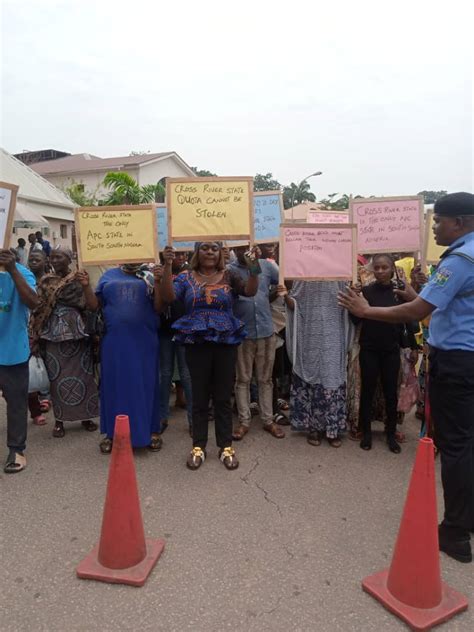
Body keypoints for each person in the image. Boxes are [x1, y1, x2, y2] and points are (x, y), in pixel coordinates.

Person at [338, 192, 474, 563]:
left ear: (459, 222)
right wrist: (416, 292)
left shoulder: (460, 260)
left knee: (457, 445)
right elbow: (438, 304)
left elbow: (416, 311)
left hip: (459, 362)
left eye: (439, 220)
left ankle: (457, 532)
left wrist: (367, 310)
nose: (433, 226)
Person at [157, 242, 259, 471]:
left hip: (225, 342)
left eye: (214, 248)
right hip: (196, 342)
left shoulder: (230, 275)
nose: (210, 251)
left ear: (219, 252)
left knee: (223, 396)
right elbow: (168, 296)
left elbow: (251, 291)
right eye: (205, 248)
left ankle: (226, 447)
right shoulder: (185, 277)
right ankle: (198, 447)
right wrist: (167, 264)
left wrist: (254, 267)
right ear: (197, 252)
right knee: (200, 396)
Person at [79, 262, 163, 453]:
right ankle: (112, 434)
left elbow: (159, 307)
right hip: (114, 341)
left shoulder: (149, 275)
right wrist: (85, 285)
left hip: (144, 340)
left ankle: (151, 431)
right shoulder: (108, 275)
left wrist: (158, 280)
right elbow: (94, 305)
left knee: (145, 384)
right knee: (115, 385)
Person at [350, 254, 418, 454]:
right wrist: (355, 299)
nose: (380, 271)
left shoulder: (399, 293)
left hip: (391, 350)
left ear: (392, 269)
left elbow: (408, 320)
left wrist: (412, 346)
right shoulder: (365, 291)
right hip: (369, 349)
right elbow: (356, 320)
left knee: (390, 393)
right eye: (377, 268)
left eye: (384, 267)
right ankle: (367, 432)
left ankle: (390, 433)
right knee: (368, 391)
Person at [29, 246, 99, 439]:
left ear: (69, 259)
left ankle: (86, 417)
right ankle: (59, 421)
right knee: (57, 378)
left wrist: (85, 285)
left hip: (78, 333)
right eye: (52, 257)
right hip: (52, 335)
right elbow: (38, 309)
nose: (55, 260)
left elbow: (89, 306)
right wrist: (35, 336)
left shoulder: (79, 279)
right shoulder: (45, 281)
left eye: (59, 257)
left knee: (84, 376)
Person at [278, 280, 352, 448]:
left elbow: (347, 304)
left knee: (332, 377)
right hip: (309, 334)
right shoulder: (304, 275)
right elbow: (295, 305)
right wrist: (286, 295)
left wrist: (353, 291)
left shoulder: (339, 274)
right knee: (310, 376)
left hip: (333, 334)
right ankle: (313, 428)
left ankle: (332, 428)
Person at [229, 245, 284, 440]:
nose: (244, 251)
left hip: (266, 331)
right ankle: (244, 422)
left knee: (265, 379)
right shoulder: (229, 270)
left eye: (248, 247)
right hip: (243, 333)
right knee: (242, 379)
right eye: (240, 247)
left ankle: (268, 420)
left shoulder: (267, 267)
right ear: (234, 249)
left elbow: (285, 280)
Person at [0, 248, 38, 473]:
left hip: (12, 352)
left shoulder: (22, 272)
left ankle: (16, 449)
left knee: (16, 404)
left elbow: (33, 302)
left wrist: (12, 268)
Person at [158, 251, 193, 435]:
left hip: (184, 330)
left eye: (182, 253)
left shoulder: (190, 273)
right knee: (164, 375)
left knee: (187, 375)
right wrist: (163, 271)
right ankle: (162, 417)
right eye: (175, 254)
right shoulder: (157, 271)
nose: (179, 257)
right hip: (164, 330)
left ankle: (194, 420)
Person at [27, 250, 51, 425]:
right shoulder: (22, 279)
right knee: (31, 370)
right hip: (27, 330)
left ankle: (47, 396)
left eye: (37, 259)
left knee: (46, 365)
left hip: (48, 329)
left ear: (45, 261)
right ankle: (35, 409)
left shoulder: (51, 281)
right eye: (31, 259)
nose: (34, 262)